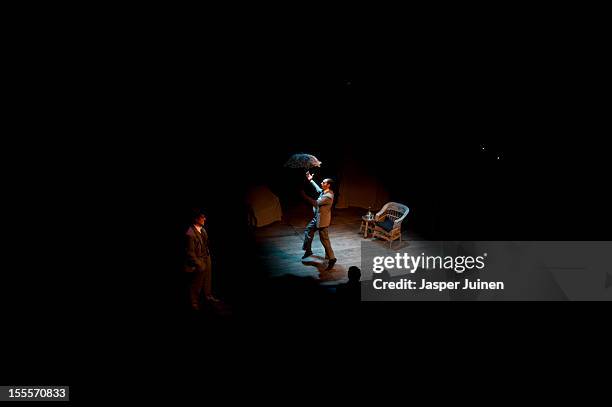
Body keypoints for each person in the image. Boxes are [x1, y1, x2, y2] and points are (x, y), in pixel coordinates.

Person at [302, 171, 337, 270]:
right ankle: (308, 250)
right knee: (308, 231)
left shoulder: (328, 196)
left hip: (322, 221)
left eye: (324, 182)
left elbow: (315, 202)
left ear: (328, 185)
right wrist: (311, 180)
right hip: (317, 218)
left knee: (324, 240)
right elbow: (318, 189)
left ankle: (332, 258)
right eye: (322, 182)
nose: (322, 183)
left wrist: (304, 196)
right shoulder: (326, 191)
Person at [185, 211, 219, 310]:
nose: (204, 219)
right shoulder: (190, 232)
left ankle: (208, 296)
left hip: (206, 257)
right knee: (197, 282)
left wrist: (207, 256)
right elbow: (189, 252)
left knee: (207, 279)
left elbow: (205, 243)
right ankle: (194, 302)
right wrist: (198, 263)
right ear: (196, 219)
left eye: (204, 217)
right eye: (202, 217)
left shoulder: (203, 230)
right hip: (198, 260)